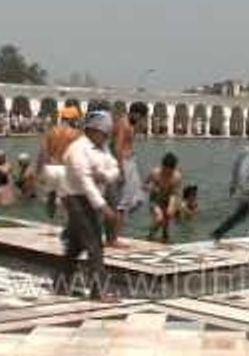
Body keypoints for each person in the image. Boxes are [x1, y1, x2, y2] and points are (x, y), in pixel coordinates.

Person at [59, 111, 120, 301]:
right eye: (104, 133)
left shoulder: (102, 148)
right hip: (76, 199)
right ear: (93, 130)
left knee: (76, 246)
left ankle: (61, 284)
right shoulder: (78, 149)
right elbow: (85, 182)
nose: (106, 137)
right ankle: (98, 290)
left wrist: (104, 175)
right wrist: (103, 207)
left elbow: (115, 168)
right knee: (94, 244)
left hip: (90, 199)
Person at [212, 122, 249, 253]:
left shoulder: (245, 150)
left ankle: (217, 233)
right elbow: (243, 171)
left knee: (239, 216)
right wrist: (244, 189)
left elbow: (236, 167)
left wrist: (234, 184)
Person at [107, 102, 148, 248]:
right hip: (123, 163)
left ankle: (112, 237)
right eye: (142, 117)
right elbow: (116, 147)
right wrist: (120, 170)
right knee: (121, 204)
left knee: (138, 198)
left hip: (129, 163)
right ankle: (113, 239)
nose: (142, 120)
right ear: (135, 113)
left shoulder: (129, 124)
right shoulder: (123, 124)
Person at [37, 106, 81, 218]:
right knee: (67, 199)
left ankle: (50, 222)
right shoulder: (76, 134)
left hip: (51, 167)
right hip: (65, 169)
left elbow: (43, 152)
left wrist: (39, 171)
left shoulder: (51, 131)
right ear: (72, 119)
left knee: (51, 196)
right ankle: (65, 226)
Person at [144, 152, 182, 243]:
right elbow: (144, 185)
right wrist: (151, 188)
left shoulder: (177, 177)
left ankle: (165, 237)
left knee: (168, 217)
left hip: (169, 198)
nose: (168, 172)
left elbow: (174, 194)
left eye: (170, 170)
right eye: (165, 170)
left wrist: (172, 206)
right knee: (159, 218)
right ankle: (150, 235)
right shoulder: (155, 173)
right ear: (162, 166)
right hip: (155, 199)